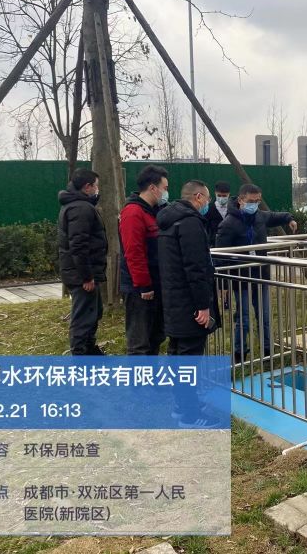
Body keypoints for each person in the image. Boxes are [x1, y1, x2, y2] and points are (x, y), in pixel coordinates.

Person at [157, 180, 221, 428]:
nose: (209, 203)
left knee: (177, 354)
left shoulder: (168, 221)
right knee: (188, 360)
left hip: (174, 299)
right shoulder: (190, 223)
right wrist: (203, 305)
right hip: (189, 303)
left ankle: (183, 404)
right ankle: (190, 415)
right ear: (198, 197)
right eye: (207, 198)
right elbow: (196, 267)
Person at [216, 183, 297, 363]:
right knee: (243, 318)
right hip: (242, 278)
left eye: (258, 201)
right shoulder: (228, 224)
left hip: (261, 275)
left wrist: (289, 219)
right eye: (251, 201)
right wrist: (223, 285)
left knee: (264, 316)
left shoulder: (260, 216)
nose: (254, 205)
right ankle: (239, 353)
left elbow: (275, 216)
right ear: (241, 200)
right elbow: (221, 256)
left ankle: (267, 351)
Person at [119, 165, 169, 355]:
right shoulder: (133, 212)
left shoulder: (153, 211)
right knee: (139, 341)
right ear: (153, 188)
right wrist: (144, 285)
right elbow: (134, 252)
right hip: (139, 288)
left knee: (155, 336)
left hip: (154, 283)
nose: (166, 193)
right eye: (164, 188)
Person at [57, 168, 108, 355]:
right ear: (87, 187)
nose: (97, 190)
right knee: (83, 317)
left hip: (80, 272)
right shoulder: (81, 208)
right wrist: (87, 276)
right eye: (96, 186)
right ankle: (80, 357)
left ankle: (90, 350)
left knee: (93, 313)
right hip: (82, 276)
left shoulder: (76, 205)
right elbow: (78, 246)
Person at [204, 180, 231, 245]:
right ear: (215, 193)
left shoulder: (234, 208)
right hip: (215, 244)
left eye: (224, 196)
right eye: (219, 195)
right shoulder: (208, 208)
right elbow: (206, 228)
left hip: (233, 243)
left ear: (229, 194)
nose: (221, 198)